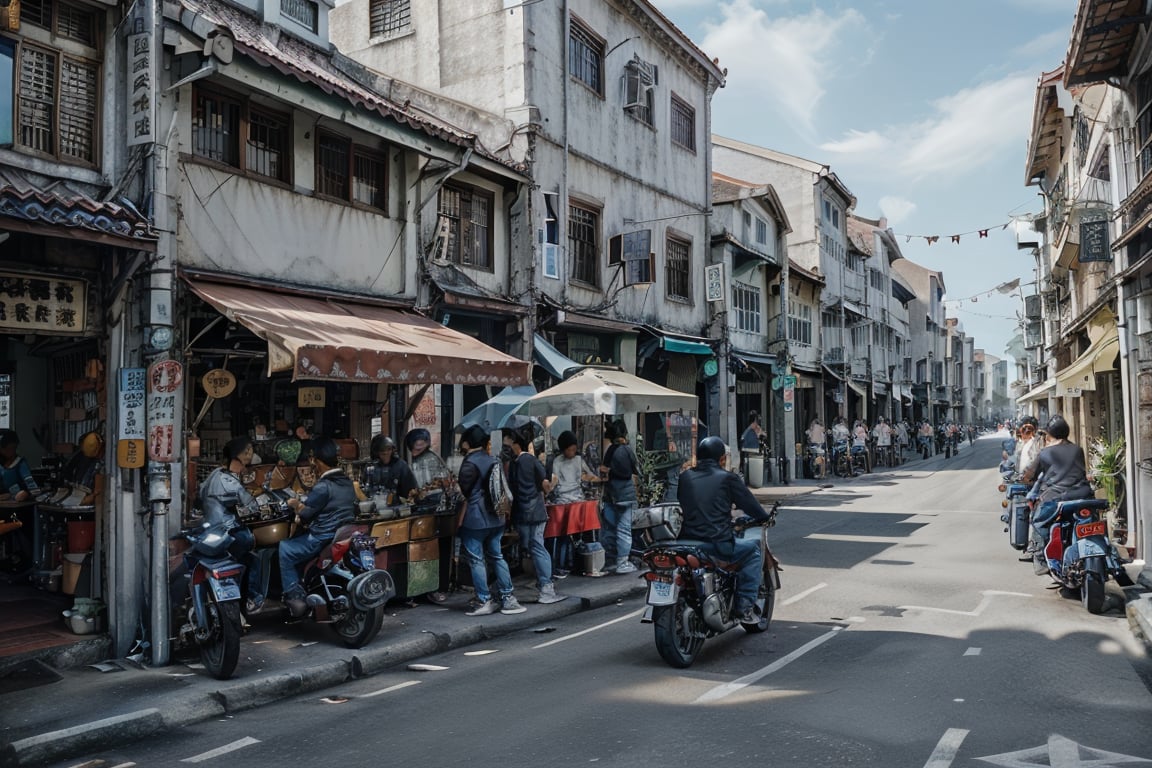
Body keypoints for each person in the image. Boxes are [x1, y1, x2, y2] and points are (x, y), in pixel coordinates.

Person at [677, 436, 774, 623]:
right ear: (722, 459)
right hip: (716, 544)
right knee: (753, 550)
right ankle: (744, 605)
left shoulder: (685, 477)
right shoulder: (728, 478)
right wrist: (764, 517)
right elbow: (749, 504)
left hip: (685, 542)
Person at [278, 437, 356, 617]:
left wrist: (295, 504)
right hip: (341, 533)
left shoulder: (323, 486)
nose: (312, 463)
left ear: (318, 461)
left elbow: (306, 513)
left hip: (322, 537)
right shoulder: (347, 482)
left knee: (285, 549)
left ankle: (295, 596)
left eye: (313, 459)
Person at [456, 425, 526, 616]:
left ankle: (484, 599)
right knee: (497, 556)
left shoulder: (469, 463)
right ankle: (508, 598)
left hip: (476, 518)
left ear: (467, 443)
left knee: (476, 559)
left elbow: (465, 490)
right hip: (497, 517)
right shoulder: (492, 459)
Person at [197, 437, 265, 613]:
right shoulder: (229, 482)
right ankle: (253, 597)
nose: (250, 454)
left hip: (211, 533)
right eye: (248, 450)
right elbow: (250, 506)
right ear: (238, 455)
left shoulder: (215, 474)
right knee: (254, 557)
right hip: (228, 534)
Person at [1020, 415, 1094, 575]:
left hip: (1055, 499)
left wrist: (1024, 478)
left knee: (1037, 521)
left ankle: (1040, 556)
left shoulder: (1045, 452)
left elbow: (1029, 475)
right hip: (1084, 496)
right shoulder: (1077, 449)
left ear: (1050, 434)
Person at [504, 427, 566, 604]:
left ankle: (541, 585)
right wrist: (553, 481)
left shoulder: (513, 463)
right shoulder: (531, 461)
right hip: (535, 511)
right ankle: (547, 588)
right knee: (539, 547)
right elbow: (546, 487)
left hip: (520, 511)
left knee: (531, 547)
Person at [546, 430, 600, 578]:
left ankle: (579, 562)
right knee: (563, 534)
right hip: (562, 500)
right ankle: (561, 565)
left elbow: (589, 474)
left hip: (577, 499)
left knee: (578, 533)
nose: (572, 452)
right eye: (569, 449)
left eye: (574, 449)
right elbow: (555, 480)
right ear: (563, 449)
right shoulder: (557, 461)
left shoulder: (578, 460)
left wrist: (594, 478)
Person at [599, 418, 639, 574]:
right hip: (626, 495)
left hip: (610, 494)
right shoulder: (627, 450)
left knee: (609, 528)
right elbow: (636, 469)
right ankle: (622, 562)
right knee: (623, 529)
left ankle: (609, 559)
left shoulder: (610, 450)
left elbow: (603, 470)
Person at [405, 428, 454, 513]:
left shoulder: (431, 458)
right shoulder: (413, 459)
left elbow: (437, 481)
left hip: (433, 500)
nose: (416, 449)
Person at [364, 434, 416, 502]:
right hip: (375, 505)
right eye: (382, 451)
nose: (386, 453)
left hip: (398, 505)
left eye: (389, 449)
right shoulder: (370, 467)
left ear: (392, 450)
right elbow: (366, 489)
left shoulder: (401, 466)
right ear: (376, 452)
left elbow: (411, 490)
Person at [0, 430, 40, 501]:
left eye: (14, 448)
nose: (12, 451)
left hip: (17, 506)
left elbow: (34, 489)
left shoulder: (20, 463)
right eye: (8, 449)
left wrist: (26, 493)